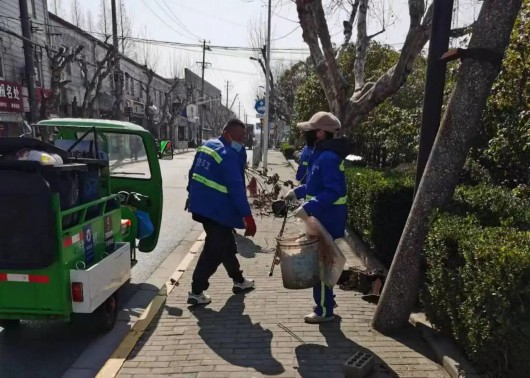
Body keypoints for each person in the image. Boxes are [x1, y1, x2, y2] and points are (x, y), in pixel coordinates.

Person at [284, 111, 349, 324]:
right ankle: (327, 301)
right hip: (322, 217)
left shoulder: (327, 157)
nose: (306, 134)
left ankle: (324, 310)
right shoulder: (321, 154)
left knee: (320, 264)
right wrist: (298, 192)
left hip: (327, 218)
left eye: (310, 130)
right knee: (323, 262)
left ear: (320, 133)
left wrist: (310, 206)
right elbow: (315, 185)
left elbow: (334, 191)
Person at [186, 118, 257, 306]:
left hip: (202, 206)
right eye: (239, 138)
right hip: (216, 210)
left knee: (225, 244)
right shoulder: (227, 155)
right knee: (214, 250)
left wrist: (189, 195)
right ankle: (196, 291)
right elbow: (236, 188)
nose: (242, 142)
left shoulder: (206, 146)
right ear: (227, 134)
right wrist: (247, 217)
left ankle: (239, 281)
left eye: (244, 138)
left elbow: (192, 173)